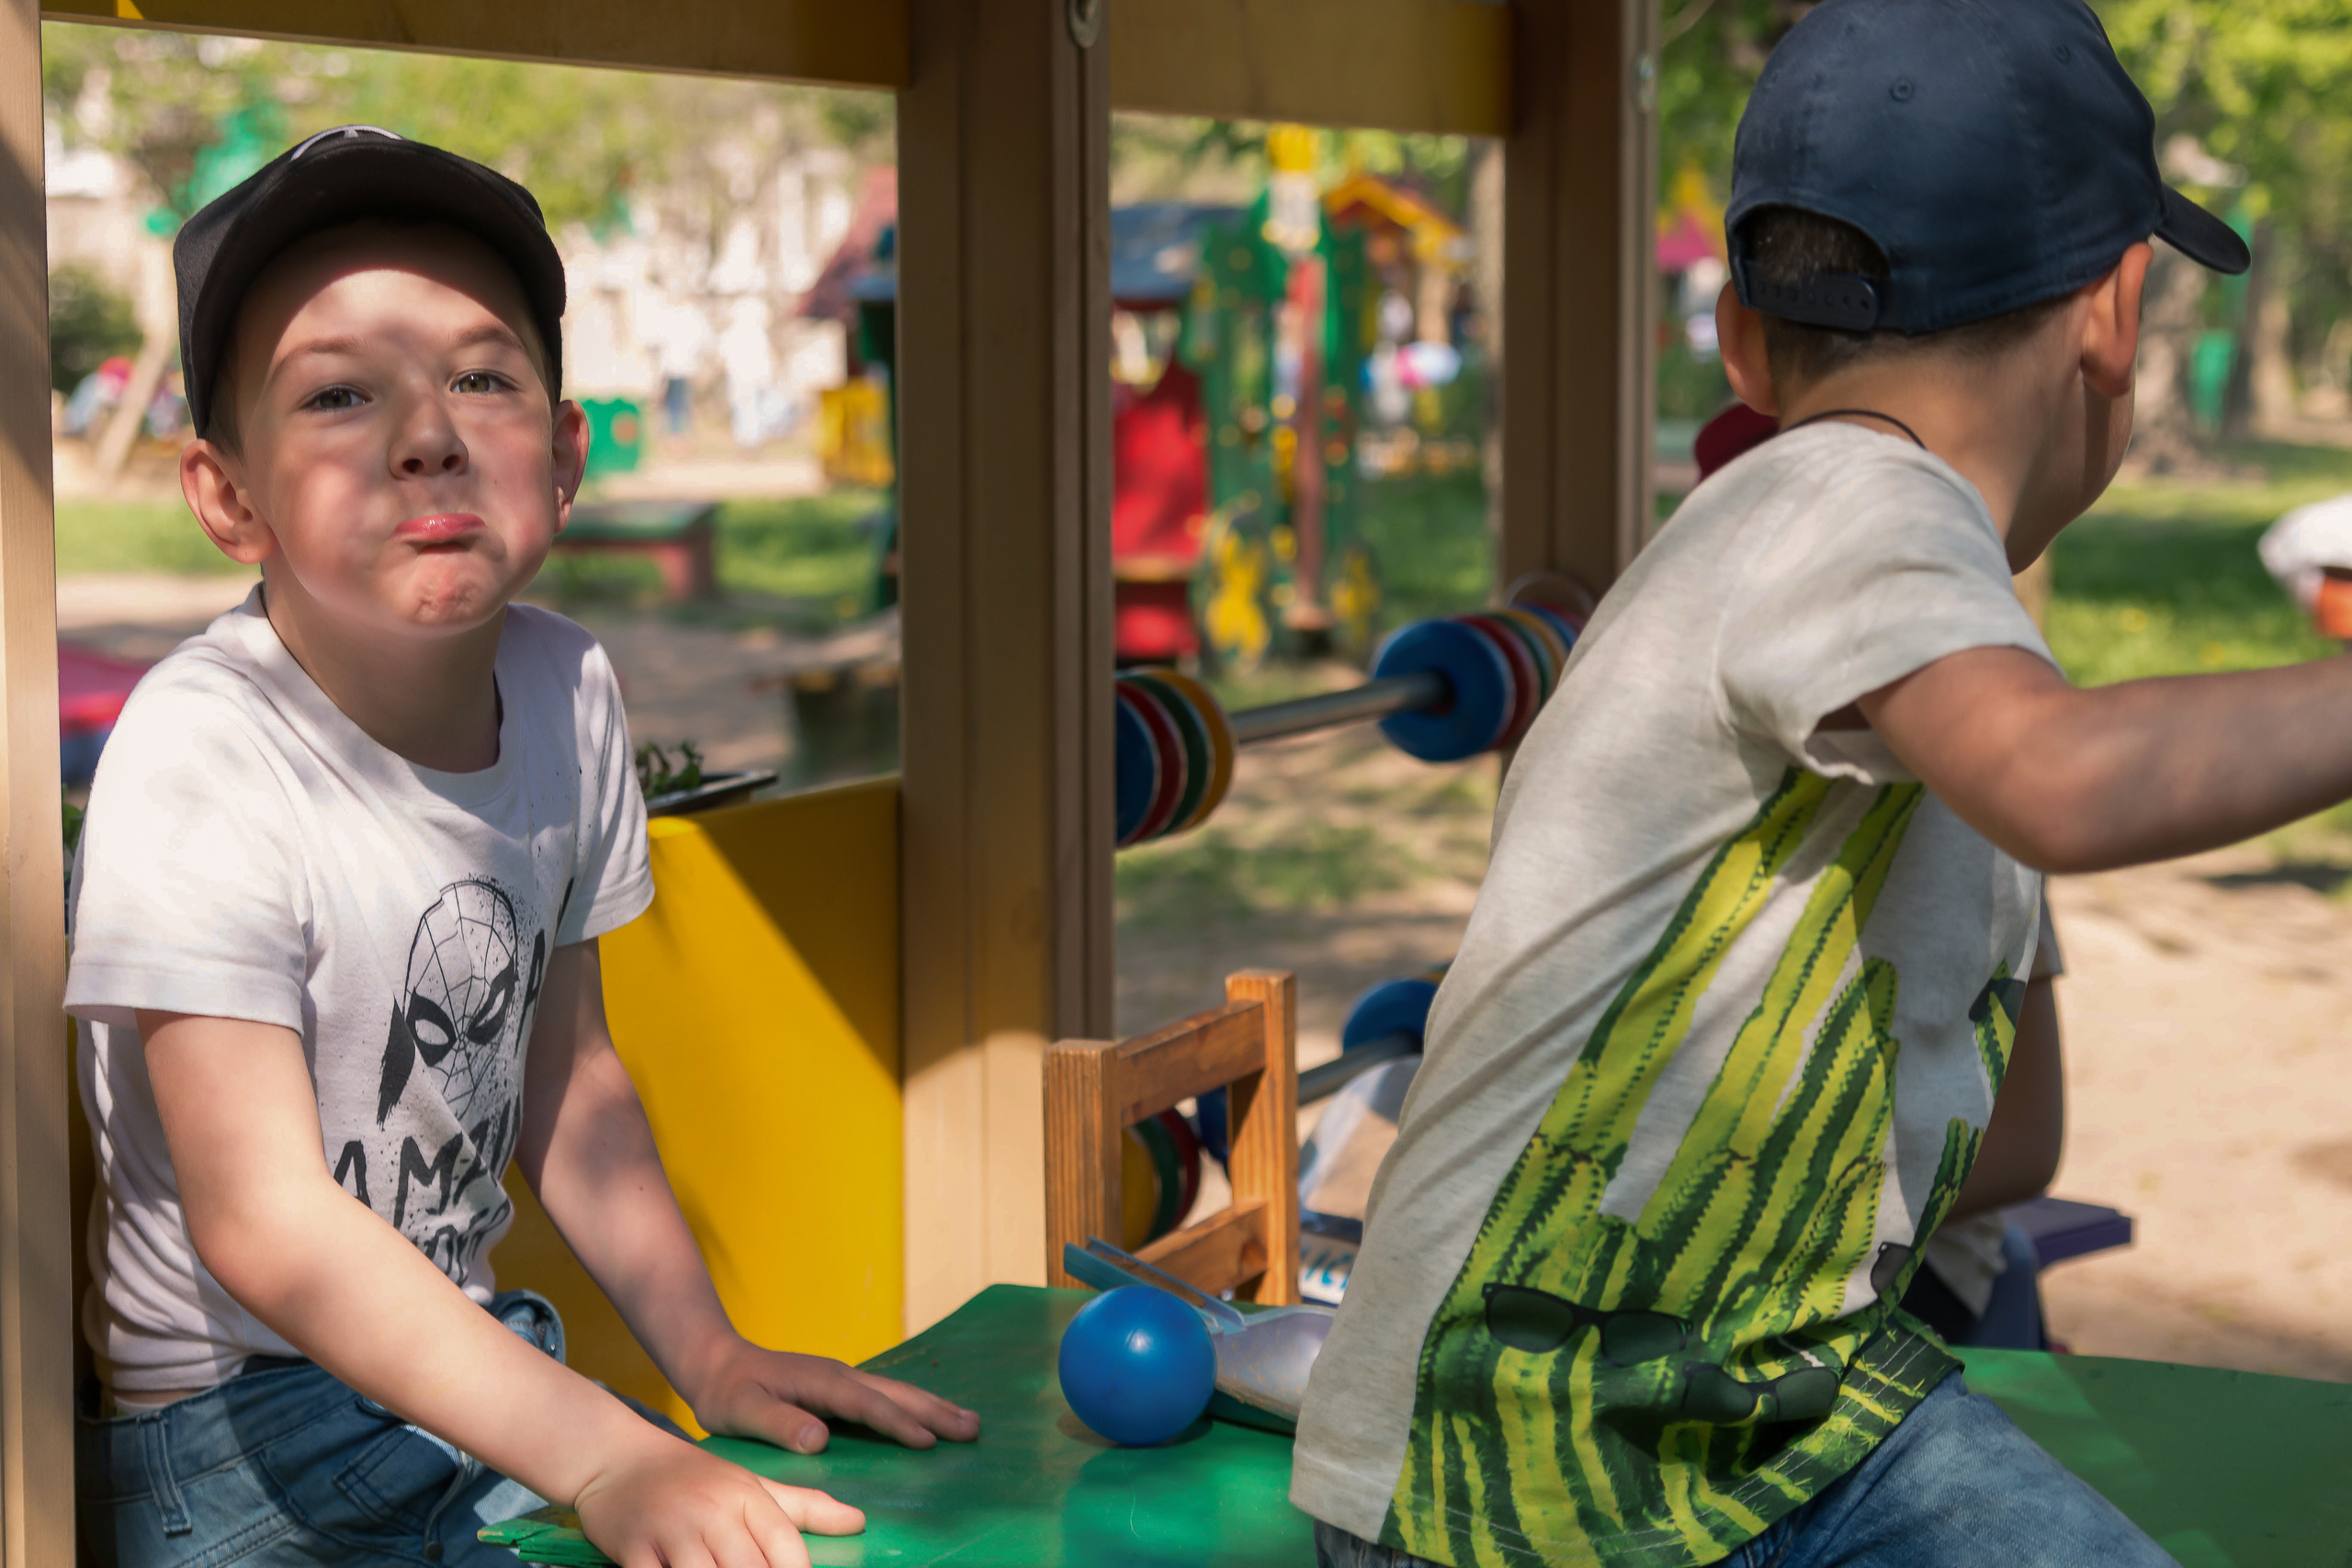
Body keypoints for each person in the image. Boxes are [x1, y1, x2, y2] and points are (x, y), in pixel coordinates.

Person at [1290, 3, 2265, 1564]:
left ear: (1743, 337)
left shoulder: (1864, 573)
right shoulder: (1853, 497)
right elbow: (2068, 783)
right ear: (2116, 313)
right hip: (1530, 1469)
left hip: (1798, 1415)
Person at [68, 127, 978, 1568]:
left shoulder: (566, 688)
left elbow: (570, 1078)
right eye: (339, 394)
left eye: (481, 376)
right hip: (240, 1441)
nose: (424, 429)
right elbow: (266, 1224)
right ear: (227, 494)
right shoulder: (204, 751)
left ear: (562, 459)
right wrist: (612, 1451)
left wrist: (709, 1359)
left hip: (453, 1376)